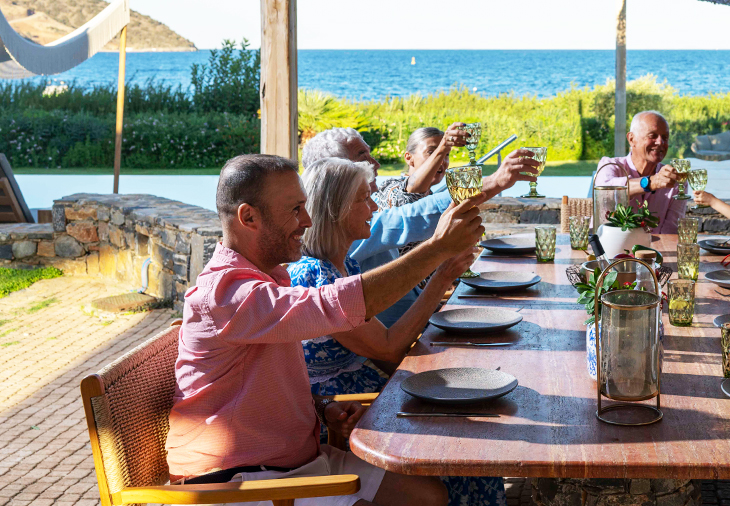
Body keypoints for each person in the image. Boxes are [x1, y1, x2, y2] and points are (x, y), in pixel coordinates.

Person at [167, 154, 486, 506]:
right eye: (295, 209)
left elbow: (258, 388)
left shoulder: (268, 279)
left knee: (430, 496)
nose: (306, 220)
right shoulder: (226, 295)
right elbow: (338, 304)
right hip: (236, 479)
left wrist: (322, 408)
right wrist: (437, 249)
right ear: (249, 217)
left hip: (295, 462)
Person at [289, 157, 506, 506]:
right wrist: (442, 274)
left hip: (367, 395)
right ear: (337, 210)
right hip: (343, 414)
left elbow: (384, 349)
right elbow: (388, 347)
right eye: (364, 199)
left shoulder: (346, 264)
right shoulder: (316, 275)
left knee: (469, 435)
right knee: (463, 455)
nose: (374, 208)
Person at [302, 127, 539, 325]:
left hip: (421, 324)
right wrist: (496, 181)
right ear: (333, 176)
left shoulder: (367, 210)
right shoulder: (335, 243)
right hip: (408, 338)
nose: (375, 163)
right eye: (363, 156)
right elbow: (411, 214)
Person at [593, 111, 686, 233]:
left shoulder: (673, 180)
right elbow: (606, 192)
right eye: (652, 136)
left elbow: (671, 231)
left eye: (665, 137)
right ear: (631, 139)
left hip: (656, 245)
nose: (660, 142)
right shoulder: (609, 165)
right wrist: (652, 182)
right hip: (607, 244)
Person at [374, 125, 467, 209]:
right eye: (431, 152)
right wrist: (442, 148)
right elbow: (407, 197)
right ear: (409, 158)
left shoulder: (430, 196)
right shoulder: (389, 188)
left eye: (446, 154)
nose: (441, 160)